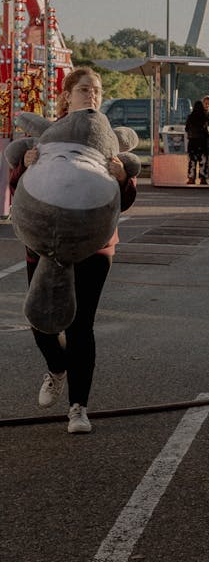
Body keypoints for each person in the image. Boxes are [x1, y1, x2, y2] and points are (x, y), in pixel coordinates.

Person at [8, 67, 137, 434]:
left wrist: (123, 178)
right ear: (67, 96)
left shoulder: (108, 140)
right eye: (84, 89)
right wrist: (23, 166)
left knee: (82, 325)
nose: (91, 95)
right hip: (44, 248)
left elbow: (123, 202)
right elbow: (21, 195)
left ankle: (79, 407)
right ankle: (56, 366)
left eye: (96, 90)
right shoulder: (47, 137)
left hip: (95, 247)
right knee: (41, 322)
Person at [185, 100, 209, 185]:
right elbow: (206, 128)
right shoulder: (204, 116)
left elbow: (186, 129)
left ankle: (191, 178)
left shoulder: (190, 117)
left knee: (192, 161)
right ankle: (203, 179)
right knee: (203, 161)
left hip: (192, 141)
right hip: (202, 141)